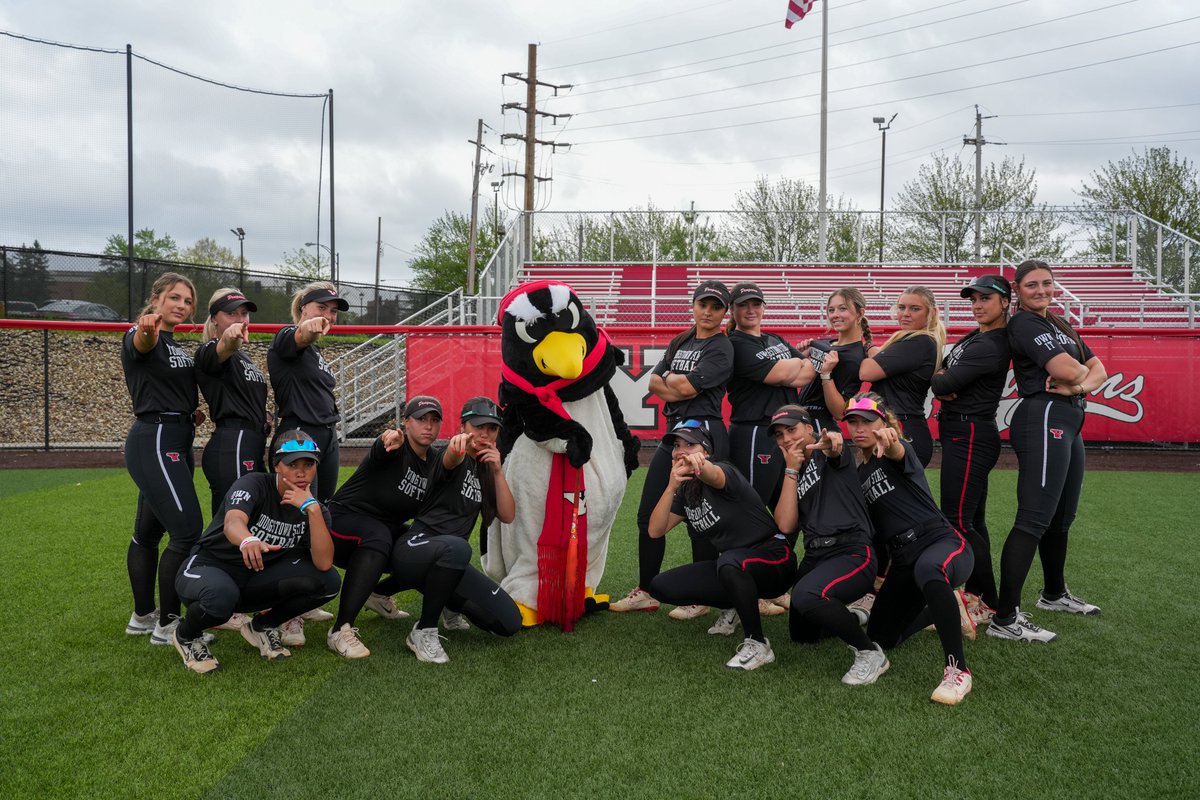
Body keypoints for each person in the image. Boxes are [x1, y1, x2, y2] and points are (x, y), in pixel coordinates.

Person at [988, 259, 1108, 643]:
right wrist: (1078, 380)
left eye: (1047, 283)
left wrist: (1077, 388)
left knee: (1062, 516)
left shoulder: (1058, 322)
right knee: (1034, 518)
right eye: (1031, 285)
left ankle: (1053, 594)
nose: (1041, 290)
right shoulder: (1024, 323)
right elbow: (1071, 370)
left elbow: (1097, 368)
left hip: (1069, 413)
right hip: (1042, 415)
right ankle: (1004, 618)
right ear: (1017, 292)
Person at [611, 280, 734, 619]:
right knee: (648, 514)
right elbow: (654, 383)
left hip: (705, 432)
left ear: (725, 313)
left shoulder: (722, 348)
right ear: (693, 305)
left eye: (716, 307)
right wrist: (677, 388)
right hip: (674, 432)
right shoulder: (682, 340)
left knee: (700, 516)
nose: (707, 312)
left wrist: (675, 385)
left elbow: (682, 384)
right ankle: (647, 590)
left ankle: (702, 596)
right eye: (702, 304)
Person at [170, 430, 342, 673]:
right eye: (293, 464)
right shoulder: (254, 483)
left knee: (329, 581)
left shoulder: (316, 510)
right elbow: (233, 522)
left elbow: (324, 564)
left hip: (254, 578)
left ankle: (262, 625)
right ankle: (187, 635)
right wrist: (247, 539)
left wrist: (312, 510)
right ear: (277, 466)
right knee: (221, 597)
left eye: (309, 464)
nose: (302, 472)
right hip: (208, 567)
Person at [846, 392, 976, 705]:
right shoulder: (858, 474)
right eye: (853, 421)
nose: (859, 428)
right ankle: (943, 606)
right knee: (882, 638)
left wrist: (891, 439)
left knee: (929, 569)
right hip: (903, 560)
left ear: (884, 422)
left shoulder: (897, 450)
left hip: (940, 542)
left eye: (868, 421)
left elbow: (895, 447)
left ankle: (957, 671)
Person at [647, 420, 797, 671]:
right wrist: (672, 486)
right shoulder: (686, 491)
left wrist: (701, 466)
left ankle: (757, 644)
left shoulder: (723, 471)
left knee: (728, 562)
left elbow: (713, 475)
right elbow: (655, 530)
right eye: (676, 445)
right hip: (736, 567)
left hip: (774, 559)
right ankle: (734, 605)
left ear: (706, 451)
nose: (681, 450)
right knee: (661, 586)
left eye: (690, 444)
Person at [382, 397, 522, 664]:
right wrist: (457, 448)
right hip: (415, 549)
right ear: (462, 427)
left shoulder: (486, 469)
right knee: (459, 547)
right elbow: (450, 459)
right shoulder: (450, 453)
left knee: (509, 622)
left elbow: (508, 515)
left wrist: (497, 472)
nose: (484, 433)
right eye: (478, 426)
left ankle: (447, 602)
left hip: (450, 562)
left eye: (492, 428)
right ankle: (423, 630)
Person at [769, 405, 886, 687]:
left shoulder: (829, 453)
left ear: (809, 428)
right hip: (816, 555)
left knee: (808, 595)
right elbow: (785, 525)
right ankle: (851, 616)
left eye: (792, 429)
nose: (785, 438)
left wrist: (832, 443)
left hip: (852, 550)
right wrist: (791, 470)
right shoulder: (790, 471)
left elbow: (835, 447)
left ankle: (870, 652)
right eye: (779, 434)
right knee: (802, 635)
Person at [121, 272, 207, 647]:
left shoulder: (176, 344)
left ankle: (142, 616)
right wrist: (147, 331)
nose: (182, 306)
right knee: (187, 531)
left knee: (148, 533)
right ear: (156, 298)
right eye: (174, 297)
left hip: (176, 437)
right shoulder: (143, 333)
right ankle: (168, 624)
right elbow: (142, 343)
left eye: (187, 301)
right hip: (154, 440)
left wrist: (190, 413)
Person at [322, 396, 444, 658]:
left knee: (423, 545)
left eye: (434, 420)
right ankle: (340, 629)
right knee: (377, 535)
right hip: (339, 522)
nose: (428, 426)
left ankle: (377, 594)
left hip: (381, 533)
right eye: (421, 419)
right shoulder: (396, 447)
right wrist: (385, 440)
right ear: (406, 423)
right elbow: (382, 449)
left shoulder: (435, 462)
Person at [932, 275, 1012, 625]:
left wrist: (942, 379)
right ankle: (982, 596)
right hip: (962, 430)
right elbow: (945, 376)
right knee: (973, 520)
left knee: (957, 520)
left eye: (986, 299)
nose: (978, 305)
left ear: (1005, 302)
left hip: (971, 433)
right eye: (974, 299)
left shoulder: (992, 343)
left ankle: (989, 600)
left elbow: (943, 382)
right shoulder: (977, 336)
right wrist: (944, 378)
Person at [724, 281, 814, 508]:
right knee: (752, 504)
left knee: (791, 502)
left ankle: (782, 546)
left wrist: (794, 367)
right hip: (755, 430)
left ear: (764, 307)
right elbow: (779, 374)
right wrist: (795, 362)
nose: (751, 310)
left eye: (756, 304)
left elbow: (808, 374)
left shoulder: (774, 338)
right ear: (732, 309)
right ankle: (747, 545)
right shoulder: (734, 344)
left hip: (786, 431)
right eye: (744, 305)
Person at [267, 281, 348, 504]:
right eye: (321, 308)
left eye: (333, 311)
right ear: (304, 307)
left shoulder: (315, 351)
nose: (329, 316)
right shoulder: (287, 334)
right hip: (300, 434)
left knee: (322, 508)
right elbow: (300, 337)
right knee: (301, 509)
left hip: (327, 433)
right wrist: (307, 331)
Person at [196, 288, 268, 516]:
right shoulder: (210, 349)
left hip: (250, 442)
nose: (240, 319)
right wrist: (229, 337)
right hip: (233, 444)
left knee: (249, 517)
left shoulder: (243, 358)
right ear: (215, 318)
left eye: (244, 313)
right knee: (232, 522)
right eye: (232, 314)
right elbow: (224, 346)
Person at [858, 286, 945, 467]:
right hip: (899, 426)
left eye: (915, 308)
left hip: (904, 429)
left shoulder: (919, 342)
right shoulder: (914, 340)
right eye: (901, 307)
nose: (905, 313)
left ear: (932, 313)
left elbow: (866, 372)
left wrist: (869, 350)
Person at [795, 287, 872, 433]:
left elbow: (839, 412)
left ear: (860, 313)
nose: (835, 315)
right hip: (799, 418)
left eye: (842, 309)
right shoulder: (824, 343)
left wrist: (826, 375)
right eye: (831, 310)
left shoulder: (855, 356)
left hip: (820, 426)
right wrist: (800, 356)